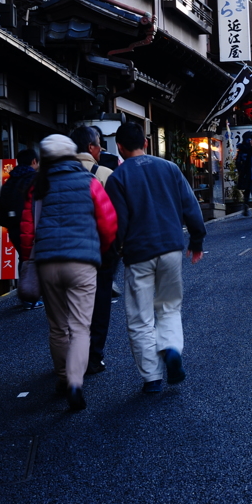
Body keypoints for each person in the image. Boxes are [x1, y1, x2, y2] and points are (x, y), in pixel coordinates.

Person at [104, 122, 206, 395]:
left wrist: (112, 257)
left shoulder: (117, 178)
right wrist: (196, 240)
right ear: (146, 142)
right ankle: (171, 348)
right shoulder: (169, 168)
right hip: (171, 248)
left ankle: (151, 377)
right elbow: (190, 205)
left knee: (140, 317)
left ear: (120, 148)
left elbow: (118, 223)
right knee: (169, 307)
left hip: (138, 254)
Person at [20, 135, 117, 411]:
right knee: (80, 327)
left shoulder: (37, 186)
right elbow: (108, 222)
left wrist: (29, 258)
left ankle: (62, 378)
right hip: (82, 262)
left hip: (48, 262)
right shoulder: (88, 182)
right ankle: (76, 382)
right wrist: (101, 250)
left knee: (57, 326)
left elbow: (28, 229)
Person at [69, 126, 117, 376]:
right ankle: (93, 357)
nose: (101, 149)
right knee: (99, 304)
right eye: (99, 144)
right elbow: (113, 217)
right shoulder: (105, 174)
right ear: (90, 148)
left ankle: (69, 358)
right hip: (99, 250)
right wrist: (111, 247)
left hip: (65, 252)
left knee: (71, 306)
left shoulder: (55, 174)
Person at [0, 148, 43, 310]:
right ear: (34, 162)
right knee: (35, 258)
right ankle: (34, 295)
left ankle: (26, 295)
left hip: (14, 228)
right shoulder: (35, 179)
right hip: (31, 226)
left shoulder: (9, 181)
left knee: (23, 258)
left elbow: (1, 207)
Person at [235, 132, 252, 215]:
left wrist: (241, 170)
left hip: (244, 172)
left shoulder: (241, 149)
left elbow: (238, 162)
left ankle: (246, 204)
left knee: (247, 190)